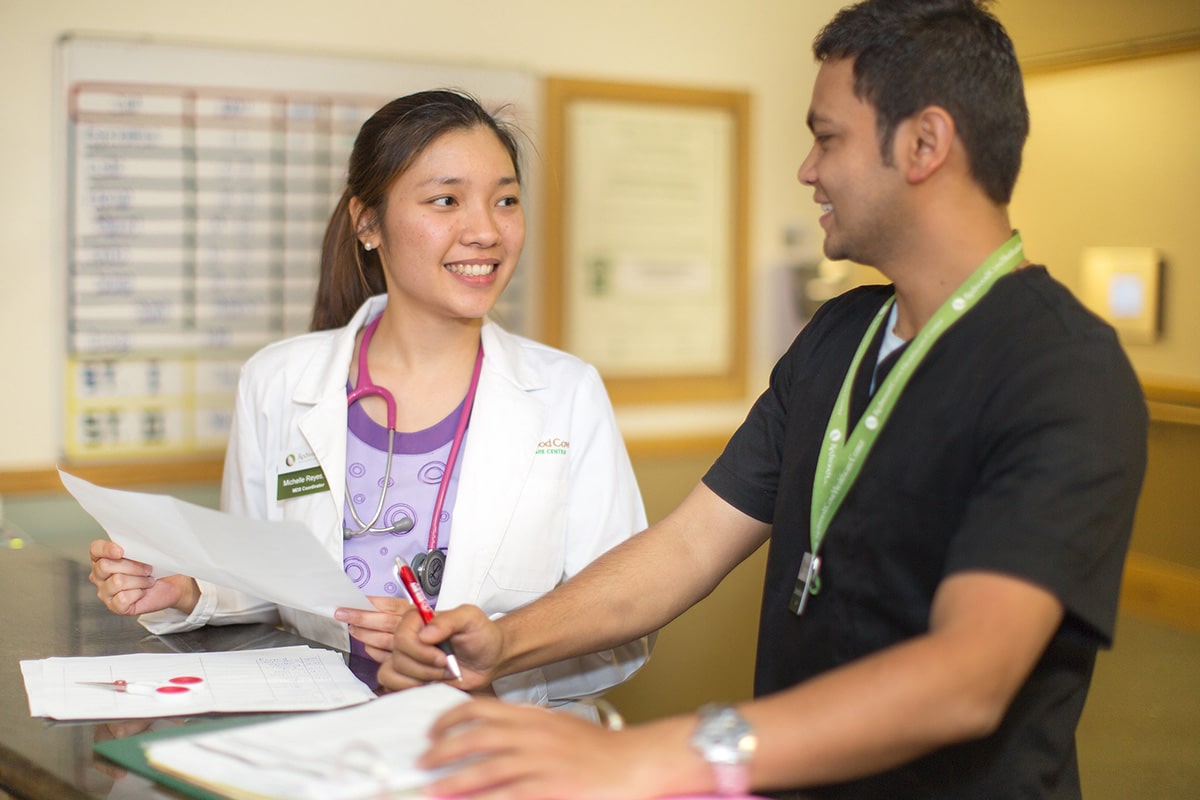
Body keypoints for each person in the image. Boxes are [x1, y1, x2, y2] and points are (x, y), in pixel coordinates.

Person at [378, 3, 1149, 798]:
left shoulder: (1060, 371)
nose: (807, 170)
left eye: (828, 137)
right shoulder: (841, 335)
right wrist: (505, 639)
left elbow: (968, 677)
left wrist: (656, 755)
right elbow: (686, 549)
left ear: (924, 144)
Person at [88, 89, 651, 710]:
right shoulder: (278, 381)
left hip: (496, 746)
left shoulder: (566, 394)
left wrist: (486, 665)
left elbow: (622, 623)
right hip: (324, 742)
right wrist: (188, 593)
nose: (486, 230)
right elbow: (264, 582)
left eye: (506, 200)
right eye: (446, 200)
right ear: (368, 222)